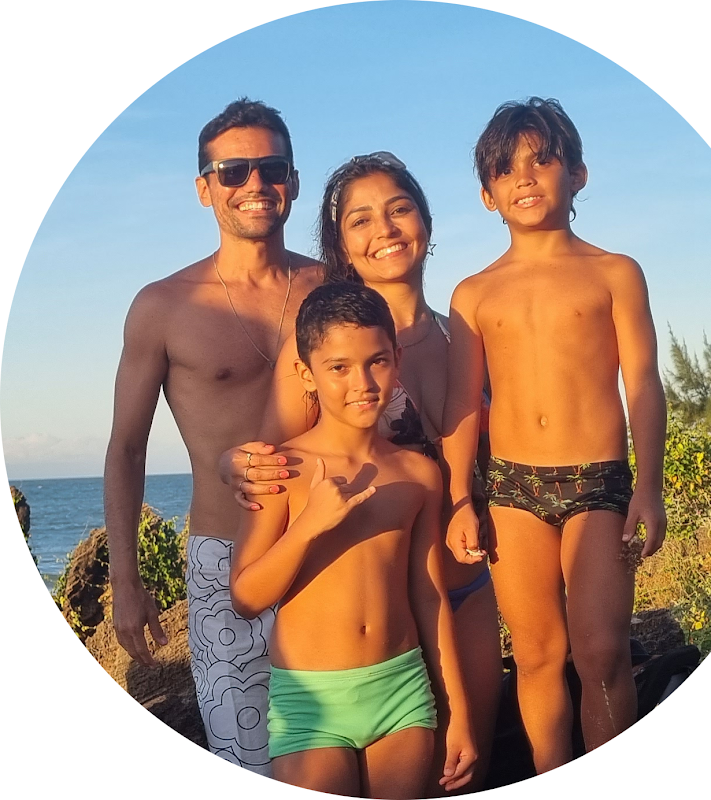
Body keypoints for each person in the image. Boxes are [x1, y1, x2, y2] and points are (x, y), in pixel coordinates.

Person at [222, 152, 503, 792]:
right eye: (361, 219)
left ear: (426, 219)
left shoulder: (464, 336)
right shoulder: (325, 339)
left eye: (400, 208)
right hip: (331, 655)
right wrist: (228, 462)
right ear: (340, 242)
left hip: (458, 589)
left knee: (469, 769)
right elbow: (269, 460)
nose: (385, 228)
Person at [442, 97, 667, 774]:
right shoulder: (473, 294)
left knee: (602, 651)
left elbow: (643, 382)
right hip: (512, 487)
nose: (526, 177)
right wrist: (460, 499)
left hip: (599, 481)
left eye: (542, 160)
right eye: (506, 169)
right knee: (537, 655)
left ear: (578, 174)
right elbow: (462, 404)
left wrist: (649, 488)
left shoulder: (615, 272)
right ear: (487, 196)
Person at [103, 98, 321, 775]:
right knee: (245, 760)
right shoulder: (164, 306)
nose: (255, 184)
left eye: (272, 168)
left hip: (329, 547)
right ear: (205, 188)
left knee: (341, 751)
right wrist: (126, 580)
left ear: (293, 181)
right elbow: (126, 449)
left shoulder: (332, 287)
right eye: (232, 172)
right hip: (223, 557)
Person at [230, 282, 477, 797]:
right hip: (311, 701)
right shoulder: (281, 469)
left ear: (397, 358)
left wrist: (457, 712)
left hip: (402, 691)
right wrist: (309, 525)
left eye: (377, 361)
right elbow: (246, 598)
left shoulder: (418, 473)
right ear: (306, 373)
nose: (361, 382)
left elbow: (429, 595)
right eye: (338, 367)